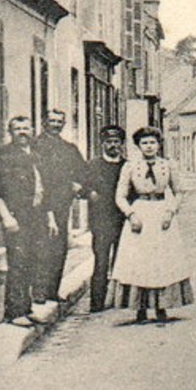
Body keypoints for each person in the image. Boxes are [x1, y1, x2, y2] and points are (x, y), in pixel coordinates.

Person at [110, 127, 194, 324]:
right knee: (140, 260)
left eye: (152, 143)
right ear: (139, 146)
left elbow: (180, 191)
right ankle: (140, 308)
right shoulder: (130, 167)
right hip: (140, 213)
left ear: (159, 145)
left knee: (162, 259)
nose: (149, 147)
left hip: (161, 212)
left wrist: (170, 212)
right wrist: (131, 215)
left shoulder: (168, 165)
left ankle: (161, 307)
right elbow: (120, 196)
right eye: (145, 143)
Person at [0, 116, 48, 327]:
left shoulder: (36, 155)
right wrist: (7, 217)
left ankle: (25, 308)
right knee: (18, 262)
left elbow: (42, 187)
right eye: (17, 128)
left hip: (35, 216)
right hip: (14, 216)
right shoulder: (1, 156)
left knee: (31, 261)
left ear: (32, 130)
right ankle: (13, 312)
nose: (22, 132)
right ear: (10, 132)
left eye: (26, 128)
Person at [32, 107, 86, 322]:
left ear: (63, 124)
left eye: (59, 121)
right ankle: (38, 291)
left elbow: (82, 171)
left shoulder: (69, 148)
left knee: (59, 246)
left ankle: (52, 289)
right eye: (52, 120)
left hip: (62, 203)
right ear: (44, 121)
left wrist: (77, 185)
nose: (55, 124)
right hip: (38, 204)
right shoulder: (34, 146)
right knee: (40, 245)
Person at [83, 125, 129, 313]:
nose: (112, 146)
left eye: (116, 142)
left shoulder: (127, 166)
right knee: (101, 261)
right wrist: (90, 193)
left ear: (121, 144)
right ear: (102, 144)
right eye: (108, 142)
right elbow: (82, 187)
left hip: (122, 219)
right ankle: (97, 302)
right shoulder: (92, 165)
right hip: (101, 221)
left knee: (123, 260)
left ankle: (122, 300)